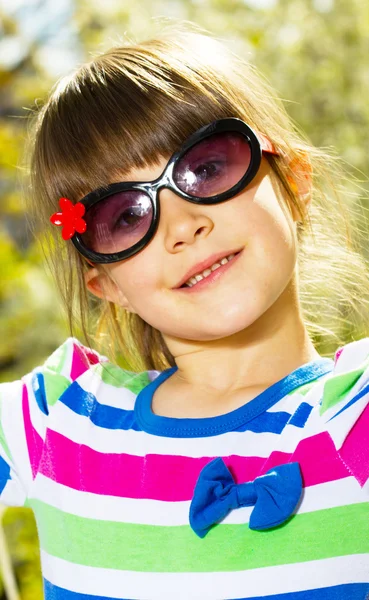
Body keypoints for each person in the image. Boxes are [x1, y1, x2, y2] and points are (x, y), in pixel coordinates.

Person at [1, 21, 369, 600]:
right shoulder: (54, 422)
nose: (180, 226)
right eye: (123, 216)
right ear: (106, 284)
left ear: (295, 181)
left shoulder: (355, 413)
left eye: (206, 167)